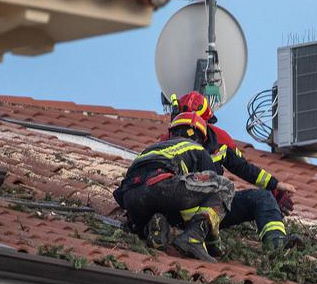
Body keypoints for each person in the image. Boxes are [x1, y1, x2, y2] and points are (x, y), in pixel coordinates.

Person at [167, 91, 303, 252]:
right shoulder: (165, 144)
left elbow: (243, 167)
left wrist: (274, 186)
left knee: (261, 198)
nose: (194, 132)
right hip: (177, 212)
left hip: (212, 211)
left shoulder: (219, 141)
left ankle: (276, 243)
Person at [112, 111, 235, 262]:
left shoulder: (150, 149)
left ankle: (154, 225)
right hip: (161, 186)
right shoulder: (197, 148)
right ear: (198, 136)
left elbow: (119, 193)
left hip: (130, 197)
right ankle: (194, 237)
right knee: (224, 186)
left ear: (172, 132)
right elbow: (209, 183)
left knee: (161, 203)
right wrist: (213, 239)